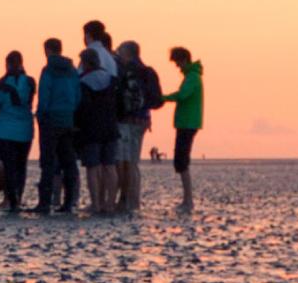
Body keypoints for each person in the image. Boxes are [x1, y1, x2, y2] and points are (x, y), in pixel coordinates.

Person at [72, 25, 121, 215]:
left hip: (91, 128)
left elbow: (80, 107)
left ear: (85, 63)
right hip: (110, 125)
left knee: (93, 167)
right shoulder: (110, 78)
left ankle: (96, 202)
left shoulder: (83, 82)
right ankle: (110, 202)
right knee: (109, 165)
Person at [34, 37, 81, 214]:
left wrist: (41, 114)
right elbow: (77, 94)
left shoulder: (48, 70)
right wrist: (70, 111)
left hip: (50, 118)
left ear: (47, 50)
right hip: (67, 119)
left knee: (48, 162)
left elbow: (44, 94)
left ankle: (45, 202)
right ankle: (68, 202)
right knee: (68, 161)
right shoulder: (72, 70)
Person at [112, 38, 158, 216]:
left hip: (128, 120)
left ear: (127, 52)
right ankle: (135, 199)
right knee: (134, 162)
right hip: (143, 119)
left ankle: (126, 200)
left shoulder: (127, 70)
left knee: (125, 162)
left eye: (120, 50)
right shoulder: (147, 70)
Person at [0, 48, 34, 209]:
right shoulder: (29, 82)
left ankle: (11, 199)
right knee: (21, 166)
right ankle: (18, 197)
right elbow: (27, 101)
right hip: (25, 130)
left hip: (6, 130)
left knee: (9, 166)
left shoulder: (3, 83)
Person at [166, 45, 205, 212]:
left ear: (183, 60)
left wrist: (163, 97)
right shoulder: (192, 76)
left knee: (182, 161)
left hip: (188, 123)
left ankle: (188, 200)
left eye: (177, 63)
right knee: (181, 161)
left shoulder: (192, 77)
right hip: (186, 122)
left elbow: (182, 95)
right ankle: (187, 199)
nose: (177, 66)